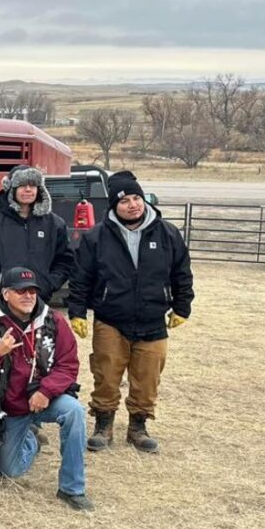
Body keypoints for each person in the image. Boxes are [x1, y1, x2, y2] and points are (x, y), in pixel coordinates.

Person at [67, 171, 194, 454]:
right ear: (114, 206)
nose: (133, 205)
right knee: (106, 373)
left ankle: (138, 427)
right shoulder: (97, 237)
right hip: (111, 319)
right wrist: (77, 311)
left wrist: (182, 306)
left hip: (153, 320)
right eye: (125, 201)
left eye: (137, 198)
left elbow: (182, 273)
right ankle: (104, 425)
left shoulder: (167, 233)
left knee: (147, 378)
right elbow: (81, 277)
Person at [0, 267, 92, 511]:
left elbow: (68, 364)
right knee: (10, 470)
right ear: (6, 294)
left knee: (74, 411)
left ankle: (72, 488)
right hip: (10, 408)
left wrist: (46, 391)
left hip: (45, 398)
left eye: (32, 291)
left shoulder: (54, 321)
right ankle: (31, 439)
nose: (29, 296)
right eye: (21, 291)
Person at [0, 165, 75, 308]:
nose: (28, 189)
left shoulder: (54, 224)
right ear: (10, 188)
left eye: (33, 185)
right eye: (22, 185)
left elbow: (66, 260)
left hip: (38, 304)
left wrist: (49, 283)